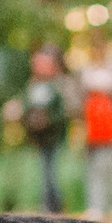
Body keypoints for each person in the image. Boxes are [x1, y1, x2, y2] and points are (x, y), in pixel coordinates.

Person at [77, 43, 112, 222]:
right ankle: (96, 206)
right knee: (94, 168)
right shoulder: (85, 72)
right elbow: (76, 99)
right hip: (93, 126)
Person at [17, 46, 70, 213]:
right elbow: (25, 108)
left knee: (53, 173)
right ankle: (47, 206)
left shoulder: (58, 85)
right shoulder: (32, 86)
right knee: (43, 173)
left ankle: (56, 206)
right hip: (38, 138)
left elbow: (63, 112)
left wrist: (47, 120)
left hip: (55, 137)